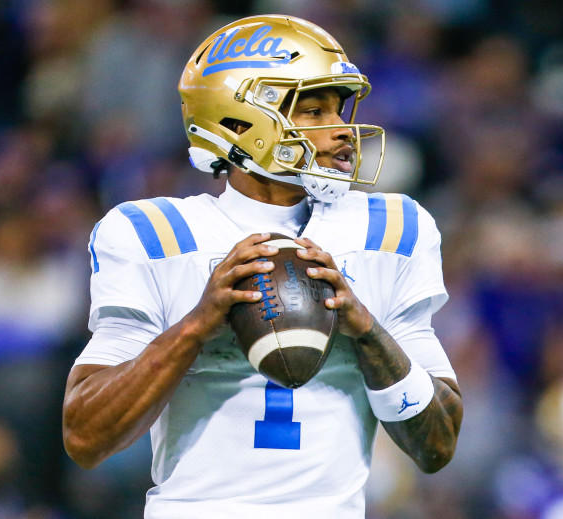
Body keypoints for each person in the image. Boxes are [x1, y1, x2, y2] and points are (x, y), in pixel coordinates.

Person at [60, 14, 462, 517]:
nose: (341, 132)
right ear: (239, 123)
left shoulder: (392, 228)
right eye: (314, 111)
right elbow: (85, 435)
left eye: (339, 110)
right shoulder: (156, 234)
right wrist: (196, 327)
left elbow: (437, 445)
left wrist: (367, 332)